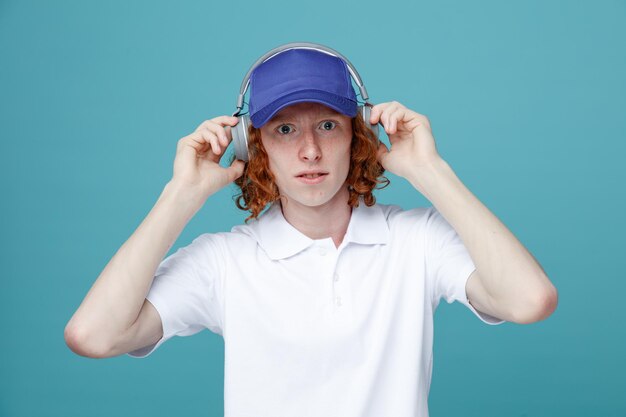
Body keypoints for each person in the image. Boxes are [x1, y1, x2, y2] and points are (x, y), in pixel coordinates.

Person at [64, 44, 558, 417]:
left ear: (356, 135)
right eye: (284, 129)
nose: (309, 151)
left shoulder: (417, 241)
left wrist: (431, 171)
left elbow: (528, 300)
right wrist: (180, 195)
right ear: (251, 145)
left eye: (326, 125)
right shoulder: (225, 262)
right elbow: (93, 336)